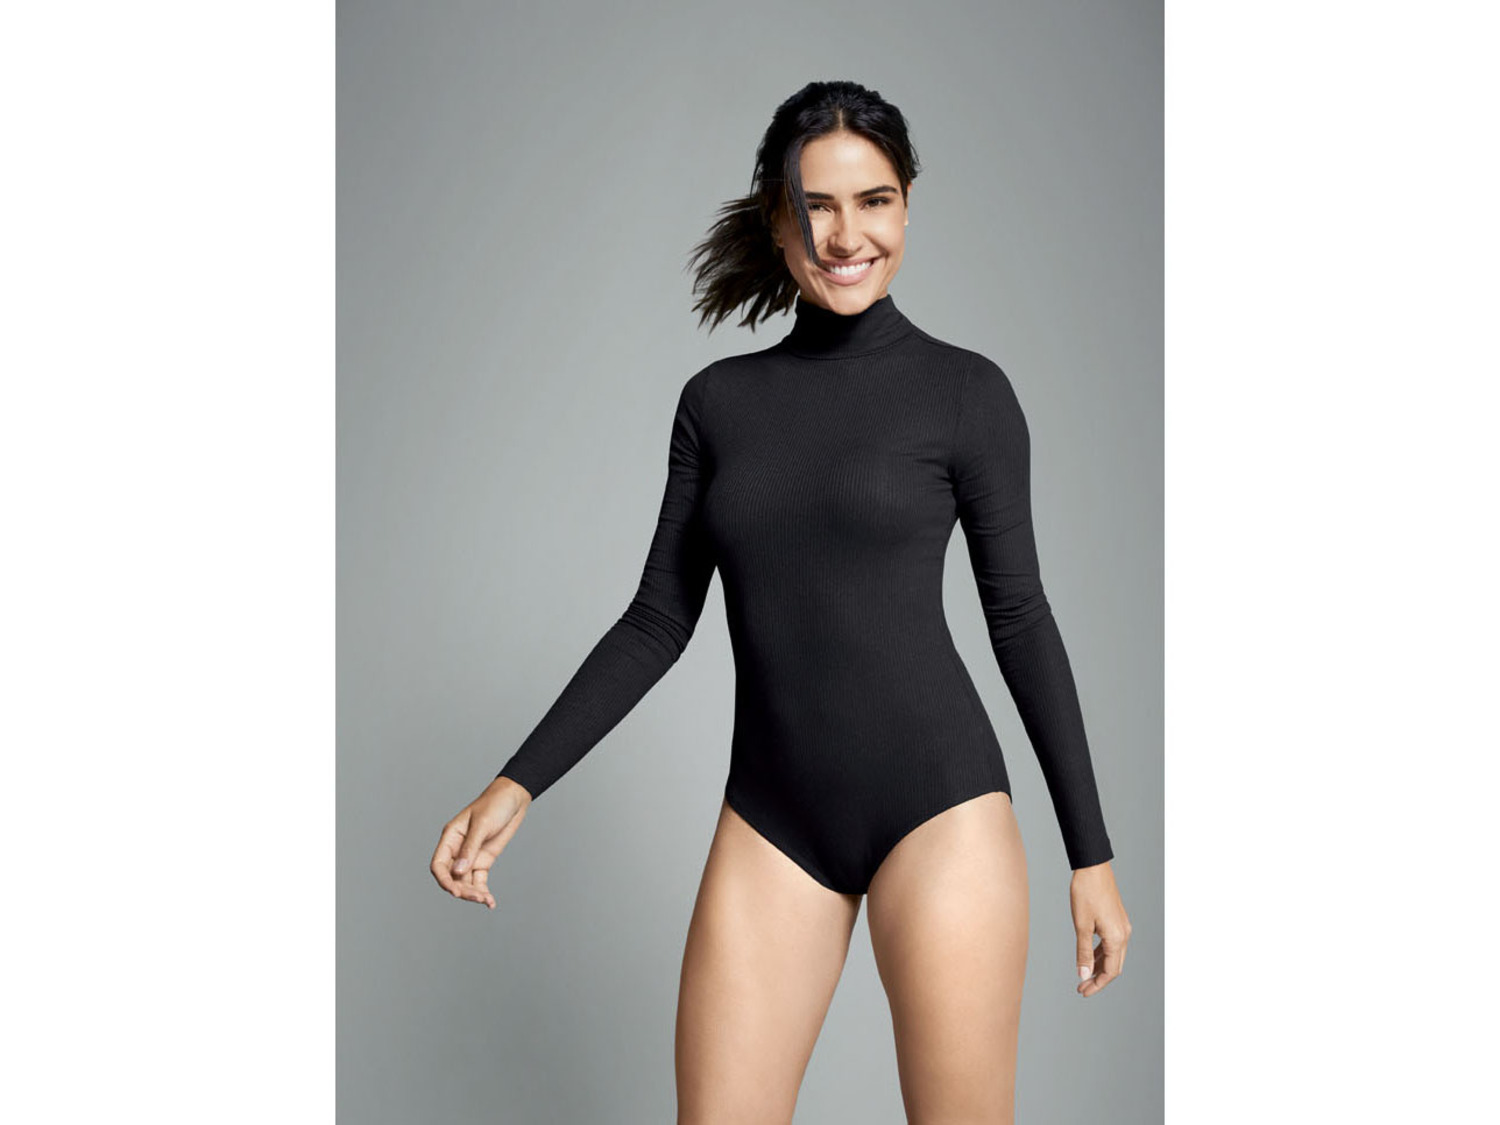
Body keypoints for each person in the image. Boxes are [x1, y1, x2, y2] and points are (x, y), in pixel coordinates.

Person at [431, 79, 1132, 1124]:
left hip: (940, 812)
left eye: (876, 201)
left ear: (907, 208)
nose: (848, 235)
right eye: (819, 206)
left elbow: (1020, 618)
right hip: (772, 821)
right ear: (777, 216)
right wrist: (516, 783)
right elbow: (657, 619)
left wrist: (1092, 858)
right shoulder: (719, 405)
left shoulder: (966, 394)